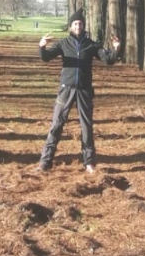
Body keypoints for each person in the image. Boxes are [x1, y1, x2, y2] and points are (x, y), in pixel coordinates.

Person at [37, 9, 121, 173]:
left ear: (83, 26)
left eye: (80, 23)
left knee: (86, 127)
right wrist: (42, 46)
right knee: (56, 125)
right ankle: (45, 162)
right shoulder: (63, 44)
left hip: (84, 90)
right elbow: (46, 57)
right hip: (66, 90)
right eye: (75, 24)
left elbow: (108, 59)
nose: (78, 26)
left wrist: (116, 49)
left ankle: (89, 162)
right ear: (70, 26)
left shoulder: (91, 44)